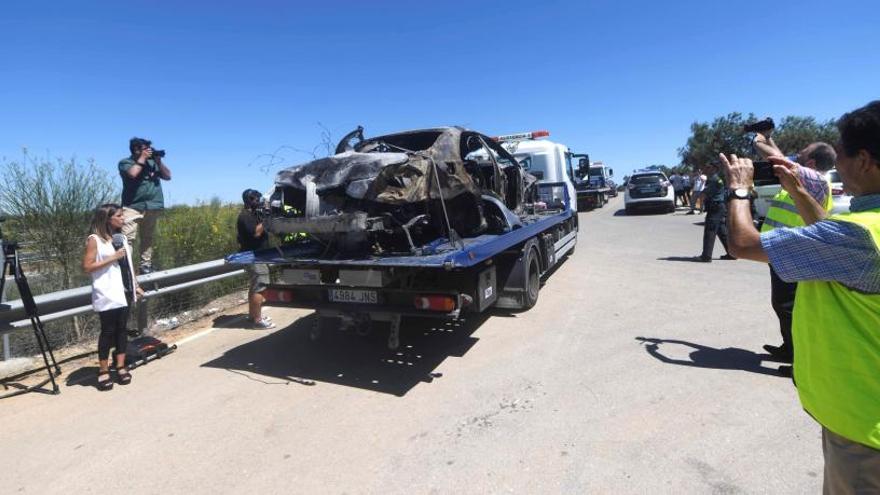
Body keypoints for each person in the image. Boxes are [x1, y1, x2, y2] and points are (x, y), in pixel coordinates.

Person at [721, 100, 880, 493]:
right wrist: (797, 191)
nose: (835, 161)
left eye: (840, 152)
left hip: (864, 428)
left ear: (864, 160)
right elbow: (834, 236)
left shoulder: (859, 235)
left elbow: (741, 244)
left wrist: (739, 191)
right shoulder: (864, 229)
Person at [753, 134, 836, 367]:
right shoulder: (803, 179)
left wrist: (757, 140)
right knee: (783, 304)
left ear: (811, 163)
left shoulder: (815, 180)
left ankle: (800, 359)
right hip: (782, 250)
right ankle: (789, 348)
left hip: (794, 252)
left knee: (788, 306)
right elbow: (780, 158)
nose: (795, 156)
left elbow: (777, 158)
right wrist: (769, 137)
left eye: (801, 154)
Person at [82, 204, 143, 391]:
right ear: (108, 219)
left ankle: (120, 366)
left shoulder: (120, 238)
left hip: (123, 290)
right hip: (106, 291)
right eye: (119, 216)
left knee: (122, 329)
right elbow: (87, 267)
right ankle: (103, 370)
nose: (123, 219)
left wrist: (136, 285)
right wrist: (112, 257)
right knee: (108, 331)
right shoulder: (94, 240)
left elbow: (127, 264)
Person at [119, 137, 172, 274]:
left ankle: (145, 266)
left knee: (147, 238)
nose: (149, 151)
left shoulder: (152, 162)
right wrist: (142, 159)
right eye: (145, 149)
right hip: (132, 206)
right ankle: (126, 268)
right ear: (136, 150)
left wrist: (159, 162)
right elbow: (133, 174)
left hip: (152, 206)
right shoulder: (126, 162)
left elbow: (167, 176)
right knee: (127, 239)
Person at [237, 189, 275, 329]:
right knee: (260, 288)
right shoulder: (245, 216)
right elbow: (256, 233)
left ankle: (253, 316)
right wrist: (266, 219)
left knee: (254, 287)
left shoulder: (252, 215)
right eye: (256, 199)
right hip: (254, 257)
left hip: (257, 256)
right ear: (249, 200)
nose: (258, 202)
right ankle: (258, 321)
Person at [693, 162, 736, 262]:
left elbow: (704, 193)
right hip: (719, 207)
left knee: (710, 231)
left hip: (715, 207)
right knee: (722, 232)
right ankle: (732, 253)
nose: (706, 169)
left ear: (715, 169)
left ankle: (706, 256)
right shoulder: (717, 179)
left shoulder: (713, 179)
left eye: (709, 167)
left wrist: (700, 206)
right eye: (706, 167)